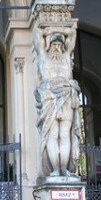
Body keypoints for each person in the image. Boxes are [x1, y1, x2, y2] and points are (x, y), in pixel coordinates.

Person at [34, 26, 81, 177]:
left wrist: (57, 30)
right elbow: (37, 33)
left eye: (59, 45)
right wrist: (48, 34)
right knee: (52, 133)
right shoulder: (43, 56)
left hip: (67, 96)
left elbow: (72, 33)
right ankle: (55, 170)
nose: (57, 47)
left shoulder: (67, 57)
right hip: (49, 98)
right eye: (54, 44)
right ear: (49, 45)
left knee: (65, 134)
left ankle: (64, 170)